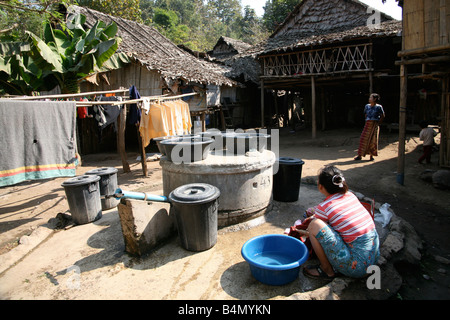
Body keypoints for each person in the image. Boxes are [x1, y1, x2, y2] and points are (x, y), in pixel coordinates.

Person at [298, 165, 380, 280]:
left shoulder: (325, 207)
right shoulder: (350, 195)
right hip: (374, 259)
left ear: (320, 187)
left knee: (314, 225)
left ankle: (327, 270)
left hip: (358, 268)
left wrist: (307, 230)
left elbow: (317, 229)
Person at [354, 93, 385, 161]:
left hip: (374, 124)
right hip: (368, 124)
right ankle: (360, 155)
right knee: (363, 139)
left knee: (373, 140)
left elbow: (382, 115)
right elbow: (365, 114)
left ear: (375, 99)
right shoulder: (367, 106)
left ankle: (371, 156)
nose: (369, 99)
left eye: (371, 97)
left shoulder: (379, 107)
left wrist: (378, 123)